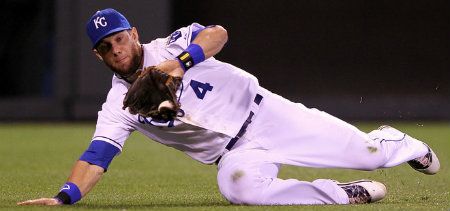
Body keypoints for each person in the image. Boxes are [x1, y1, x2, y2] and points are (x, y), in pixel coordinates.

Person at [18, 8, 440, 206]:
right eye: (105, 47)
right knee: (238, 187)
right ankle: (341, 195)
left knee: (369, 156)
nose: (116, 49)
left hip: (269, 116)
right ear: (99, 56)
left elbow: (217, 34)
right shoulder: (119, 104)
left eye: (119, 38)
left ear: (133, 33)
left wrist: (179, 66)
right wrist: (64, 197)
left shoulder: (173, 45)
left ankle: (393, 141)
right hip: (234, 154)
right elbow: (98, 155)